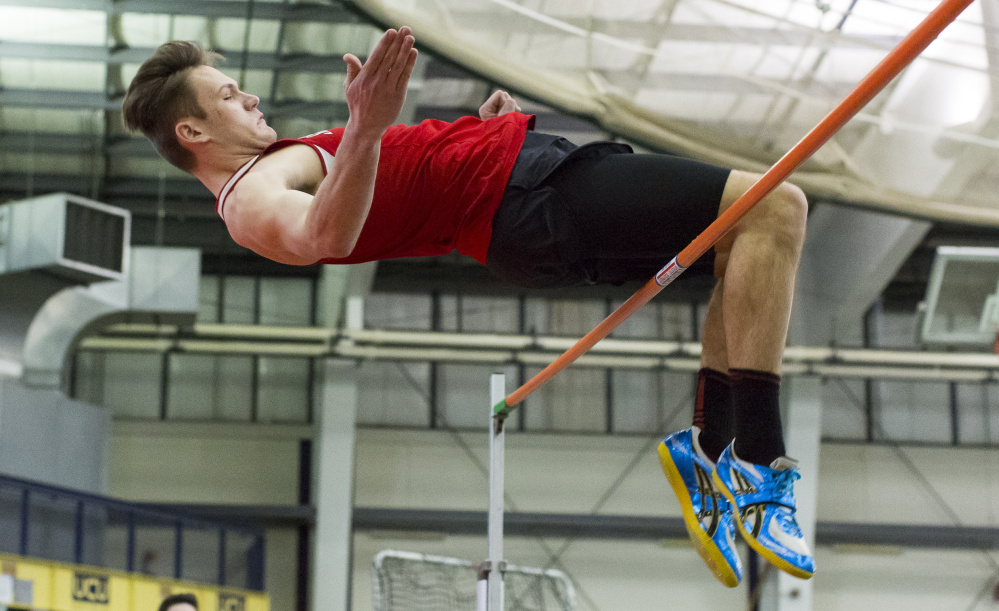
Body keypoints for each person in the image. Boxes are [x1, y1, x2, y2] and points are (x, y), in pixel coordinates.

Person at [123, 27, 813, 586]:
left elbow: (389, 185)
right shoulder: (252, 193)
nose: (249, 99)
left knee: (745, 244)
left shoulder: (275, 163)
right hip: (522, 197)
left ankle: (710, 447)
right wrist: (365, 125)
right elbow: (322, 234)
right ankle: (758, 458)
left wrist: (479, 134)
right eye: (228, 94)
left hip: (516, 190)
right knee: (775, 205)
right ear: (192, 132)